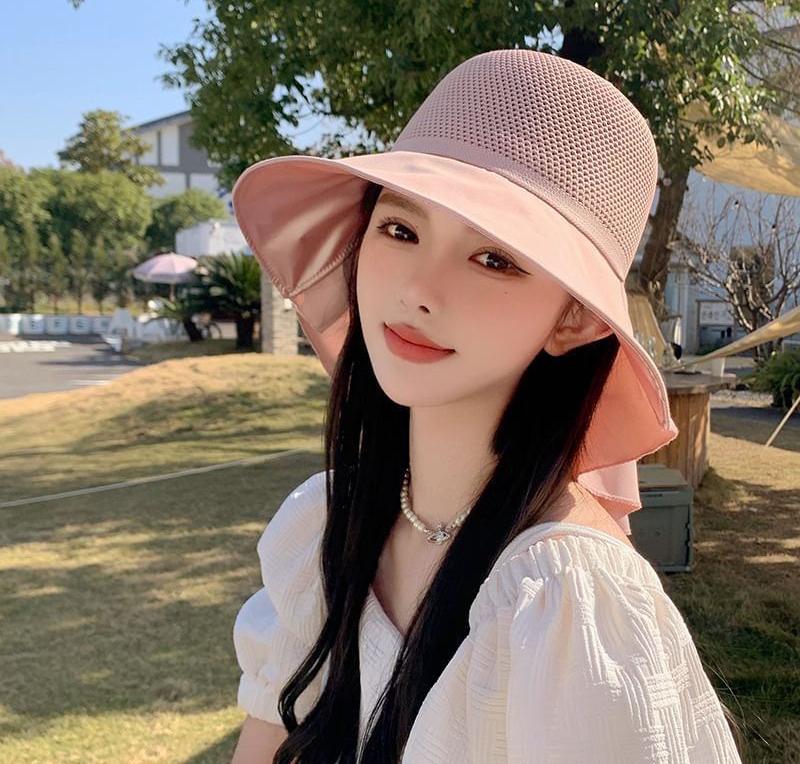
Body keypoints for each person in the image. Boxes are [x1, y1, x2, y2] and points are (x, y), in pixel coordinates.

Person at [228, 50, 743, 764]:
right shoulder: (328, 524)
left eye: (495, 259)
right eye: (401, 230)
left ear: (574, 319)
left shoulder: (569, 608)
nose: (419, 290)